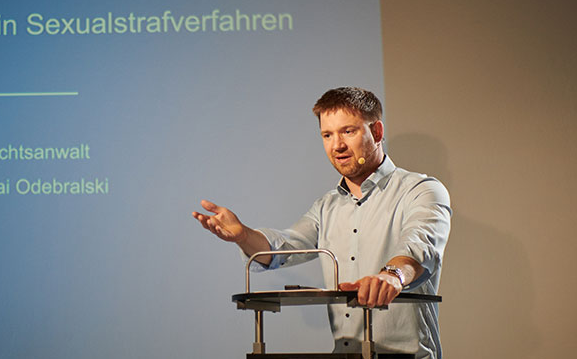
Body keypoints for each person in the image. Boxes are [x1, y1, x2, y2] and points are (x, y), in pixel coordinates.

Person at [192, 87, 451, 358]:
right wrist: (243, 236)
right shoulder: (326, 206)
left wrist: (392, 276)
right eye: (327, 135)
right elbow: (284, 248)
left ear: (376, 132)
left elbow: (419, 247)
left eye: (348, 131)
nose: (337, 145)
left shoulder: (422, 191)